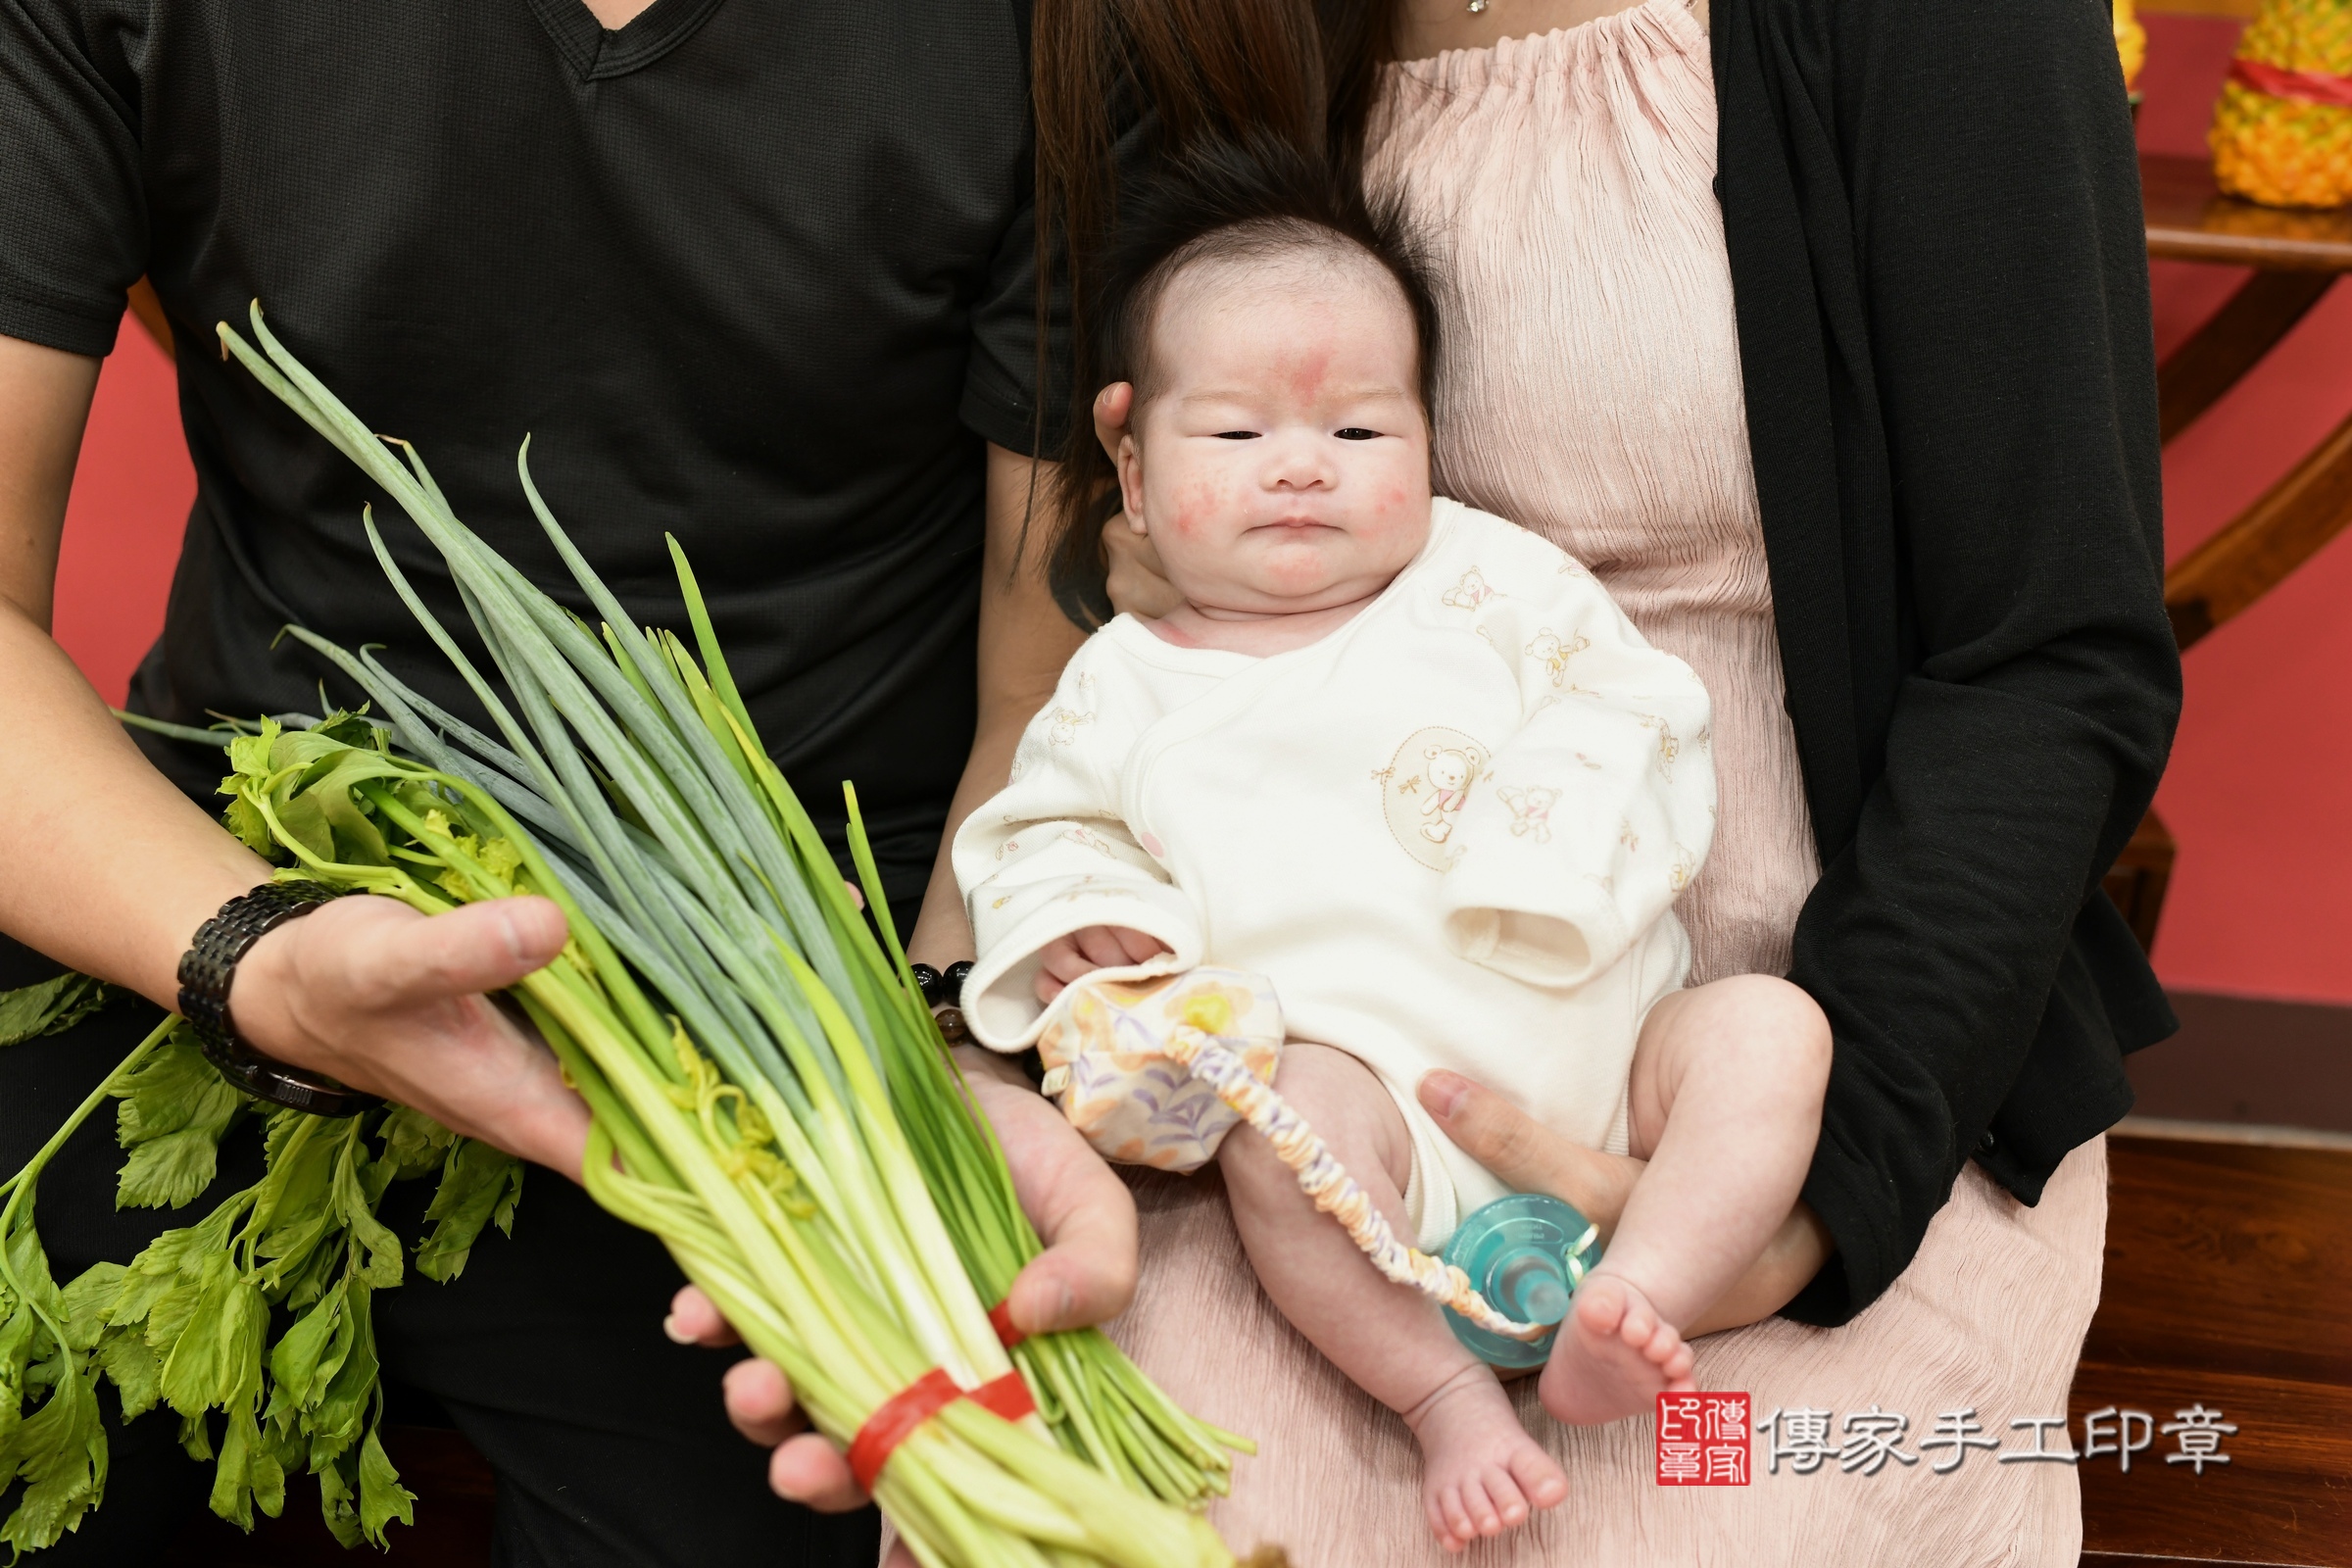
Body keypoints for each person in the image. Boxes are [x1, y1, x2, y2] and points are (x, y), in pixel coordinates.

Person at [693, 0, 2181, 1561]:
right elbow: (1054, 689)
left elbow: (2053, 656)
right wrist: (989, 1054)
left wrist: (1805, 1219)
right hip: (1300, 1018)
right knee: (1140, 1503)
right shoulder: (1203, 29)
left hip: (1838, 1014)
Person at [0, 0, 1131, 1560]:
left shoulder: (1064, 33)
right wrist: (252, 957)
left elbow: (1041, 688)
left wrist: (940, 1043)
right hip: (211, 880)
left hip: (787, 1000)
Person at [951, 150, 1835, 1550]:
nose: (1302, 467)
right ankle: (1441, 1399)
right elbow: (1038, 833)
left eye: (1362, 436)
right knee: (1273, 1135)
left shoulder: (1488, 582)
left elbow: (1639, 708)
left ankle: (1638, 1297)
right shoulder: (1123, 686)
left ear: (1429, 435)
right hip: (1368, 1121)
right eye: (1237, 439)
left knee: (1771, 1032)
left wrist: (1538, 860)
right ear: (1129, 459)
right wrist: (1098, 925)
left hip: (1619, 1074)